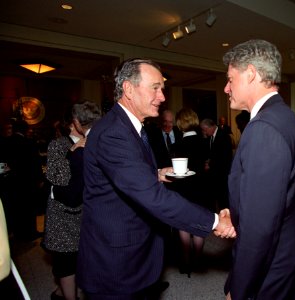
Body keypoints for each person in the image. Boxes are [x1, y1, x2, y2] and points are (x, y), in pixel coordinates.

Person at [76, 58, 235, 299]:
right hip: (116, 263)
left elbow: (122, 175)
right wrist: (214, 222)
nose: (162, 96)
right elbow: (151, 196)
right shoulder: (113, 133)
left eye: (163, 89)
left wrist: (154, 173)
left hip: (133, 252)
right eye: (155, 88)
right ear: (128, 89)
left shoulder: (132, 127)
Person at [222, 39, 295, 300]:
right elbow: (279, 197)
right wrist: (238, 212)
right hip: (293, 258)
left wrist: (239, 288)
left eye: (230, 79)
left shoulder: (263, 128)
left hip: (275, 273)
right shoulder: (285, 116)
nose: (226, 88)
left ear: (251, 74)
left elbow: (261, 228)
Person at [43, 102, 100, 300]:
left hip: (86, 213)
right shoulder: (58, 144)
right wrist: (72, 152)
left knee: (83, 261)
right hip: (63, 216)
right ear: (74, 122)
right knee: (66, 262)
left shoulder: (93, 141)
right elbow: (57, 179)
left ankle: (59, 293)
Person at [171, 109, 209, 277]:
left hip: (183, 190)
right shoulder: (204, 142)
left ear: (180, 123)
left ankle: (186, 262)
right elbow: (207, 165)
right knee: (199, 224)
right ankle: (198, 259)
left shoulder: (177, 145)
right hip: (202, 189)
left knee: (184, 225)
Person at [200, 118, 233, 211]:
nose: (204, 132)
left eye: (205, 130)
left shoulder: (224, 136)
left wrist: (210, 165)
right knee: (215, 201)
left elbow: (225, 158)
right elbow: (211, 153)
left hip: (222, 175)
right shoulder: (210, 137)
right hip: (214, 175)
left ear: (210, 127)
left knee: (223, 202)